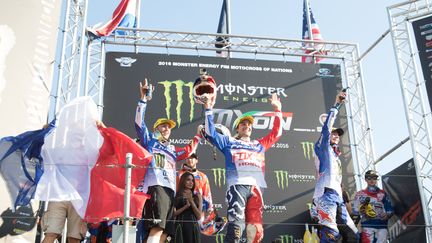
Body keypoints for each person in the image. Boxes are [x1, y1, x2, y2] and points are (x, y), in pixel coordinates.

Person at [203, 92, 283, 243]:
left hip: (256, 189)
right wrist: (208, 108)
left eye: (249, 125)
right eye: (243, 124)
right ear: (237, 129)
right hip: (237, 187)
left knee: (256, 232)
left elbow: (277, 133)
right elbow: (210, 133)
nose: (247, 126)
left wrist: (277, 109)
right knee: (236, 229)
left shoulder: (259, 144)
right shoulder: (229, 142)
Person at [135, 79, 202, 243]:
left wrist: (198, 135)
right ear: (155, 129)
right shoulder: (150, 140)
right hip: (156, 187)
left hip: (170, 191)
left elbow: (187, 151)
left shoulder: (172, 149)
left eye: (169, 127)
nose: (166, 129)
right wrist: (143, 99)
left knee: (165, 234)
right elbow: (138, 123)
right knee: (156, 229)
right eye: (163, 126)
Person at [311, 90, 358, 242]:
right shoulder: (322, 147)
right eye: (333, 133)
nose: (336, 135)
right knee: (330, 233)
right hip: (325, 194)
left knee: (353, 233)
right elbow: (326, 129)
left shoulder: (336, 156)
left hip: (337, 196)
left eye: (338, 134)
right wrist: (337, 104)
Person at [177, 153, 226, 236]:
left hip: (197, 208)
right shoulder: (178, 174)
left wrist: (209, 211)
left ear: (197, 160)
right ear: (185, 159)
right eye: (188, 158)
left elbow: (207, 195)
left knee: (195, 234)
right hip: (182, 206)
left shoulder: (203, 176)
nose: (190, 160)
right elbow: (176, 191)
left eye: (192, 158)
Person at [353, 170, 394, 243]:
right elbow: (355, 211)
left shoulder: (383, 193)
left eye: (374, 178)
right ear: (365, 179)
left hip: (382, 225)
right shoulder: (359, 194)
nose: (372, 180)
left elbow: (390, 209)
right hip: (367, 225)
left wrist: (388, 214)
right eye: (369, 178)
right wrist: (362, 210)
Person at [172, 172, 202, 243]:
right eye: (188, 180)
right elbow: (173, 214)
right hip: (180, 226)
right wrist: (185, 207)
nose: (191, 182)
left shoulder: (197, 196)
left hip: (193, 227)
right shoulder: (176, 196)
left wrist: (191, 201)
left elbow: (199, 216)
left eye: (192, 180)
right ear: (183, 181)